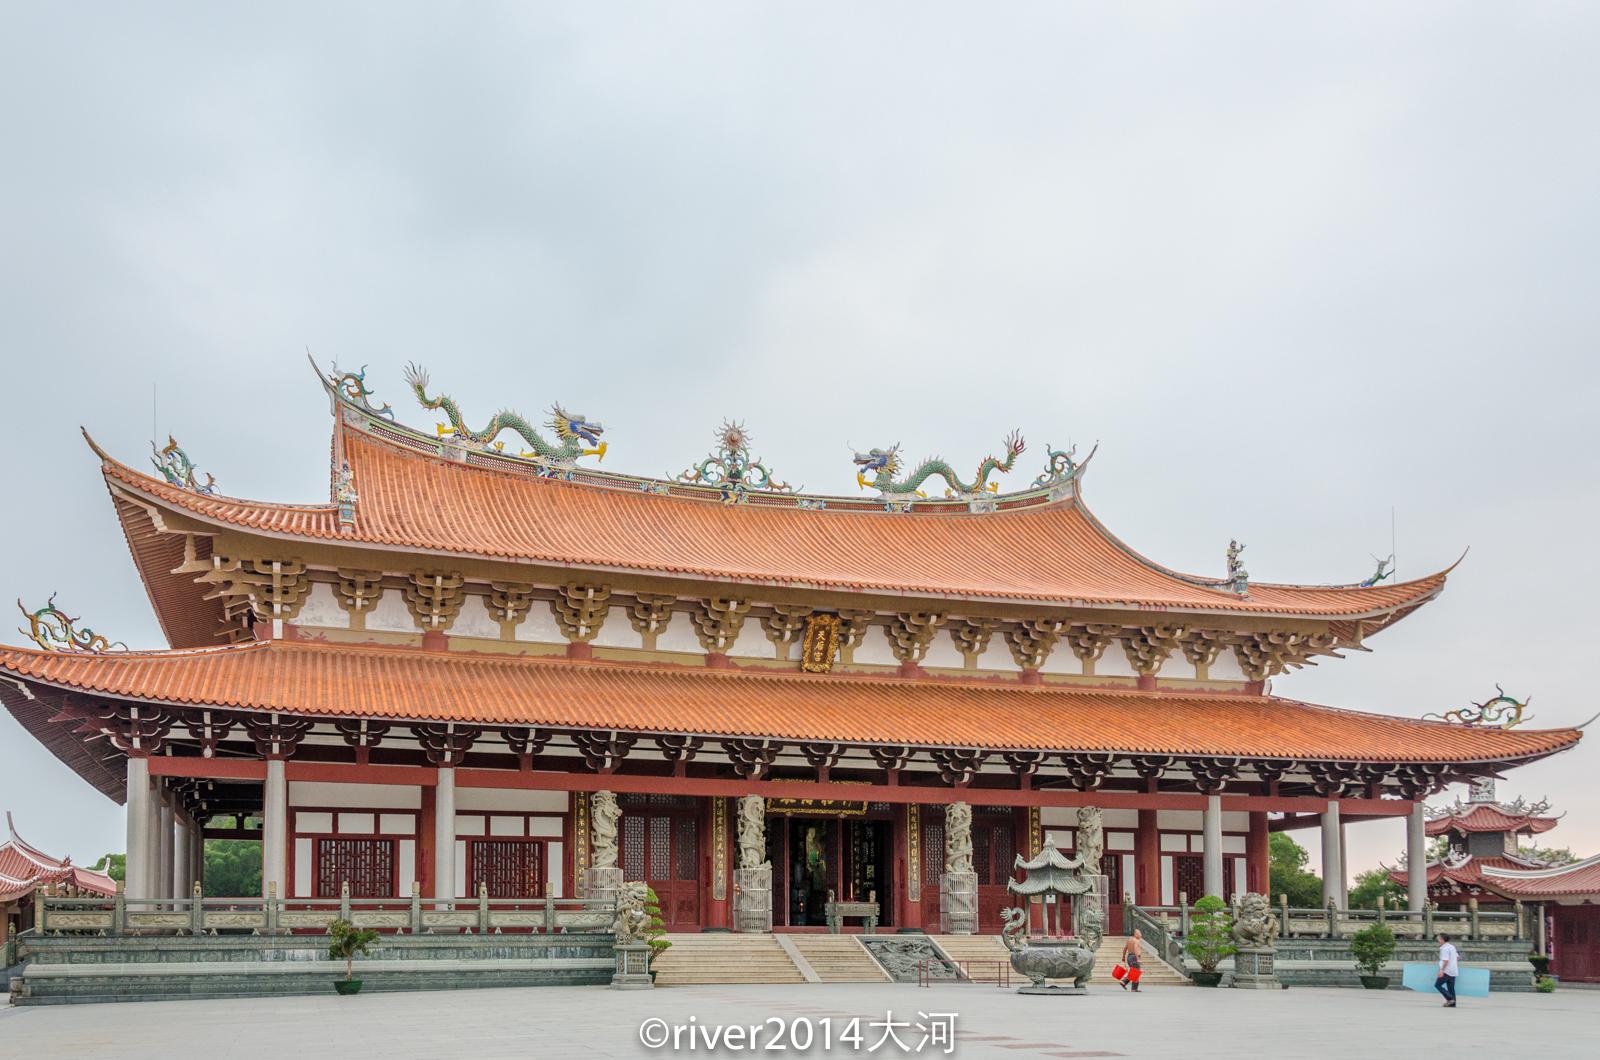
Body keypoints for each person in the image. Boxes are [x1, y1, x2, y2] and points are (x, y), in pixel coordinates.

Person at [1435, 932, 1459, 1008]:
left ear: (1442, 940)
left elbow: (1445, 961)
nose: (1437, 939)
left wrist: (1441, 970)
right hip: (1453, 970)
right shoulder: (1452, 947)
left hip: (1446, 970)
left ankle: (1450, 998)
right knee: (1451, 988)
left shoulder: (1444, 948)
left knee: (1437, 985)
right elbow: (1458, 957)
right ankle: (1453, 1004)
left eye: (1438, 938)